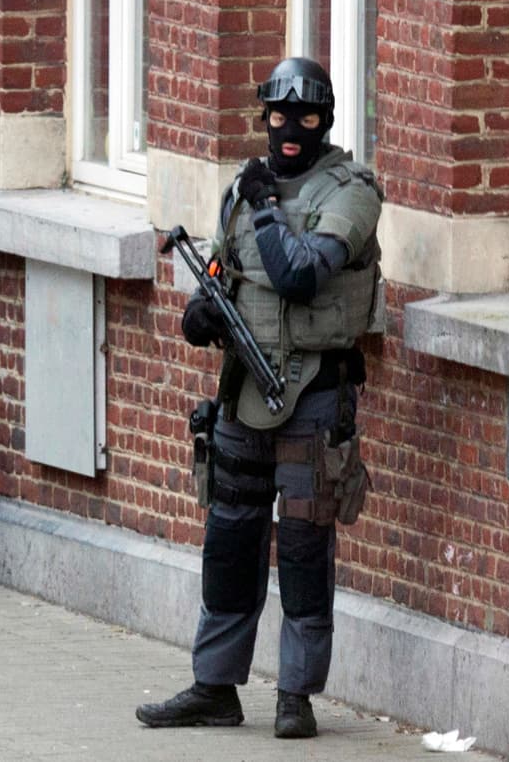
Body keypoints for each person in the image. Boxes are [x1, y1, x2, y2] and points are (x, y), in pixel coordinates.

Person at [136, 57, 382, 739]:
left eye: (306, 117)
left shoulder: (352, 192)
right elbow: (218, 266)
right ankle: (215, 686)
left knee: (303, 547)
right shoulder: (243, 193)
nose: (291, 130)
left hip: (312, 392)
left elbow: (300, 274)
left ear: (326, 120)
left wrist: (269, 207)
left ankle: (296, 696)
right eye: (279, 117)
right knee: (229, 541)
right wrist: (200, 313)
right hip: (242, 391)